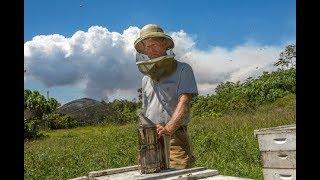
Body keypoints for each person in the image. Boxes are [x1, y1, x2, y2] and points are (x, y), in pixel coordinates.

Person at [134, 24, 198, 169]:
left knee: (178, 174)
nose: (151, 50)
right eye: (147, 47)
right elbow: (145, 109)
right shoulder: (146, 79)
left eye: (154, 44)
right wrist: (146, 132)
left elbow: (184, 102)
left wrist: (168, 129)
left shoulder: (183, 69)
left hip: (174, 135)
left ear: (164, 44)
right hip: (150, 137)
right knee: (149, 174)